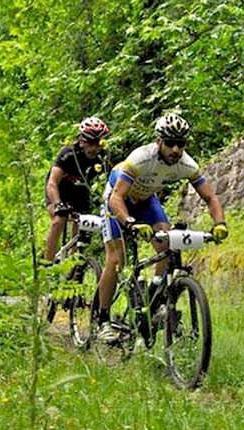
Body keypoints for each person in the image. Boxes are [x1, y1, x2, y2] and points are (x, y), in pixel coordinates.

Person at [96, 113, 228, 341]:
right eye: (170, 143)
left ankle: (154, 297)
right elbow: (116, 198)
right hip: (117, 200)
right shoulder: (140, 159)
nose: (176, 149)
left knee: (166, 241)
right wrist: (130, 223)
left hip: (146, 200)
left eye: (181, 144)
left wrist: (220, 224)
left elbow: (210, 197)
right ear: (159, 141)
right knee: (116, 260)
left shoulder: (187, 164)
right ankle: (102, 320)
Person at [43, 117, 110, 263]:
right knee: (59, 220)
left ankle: (74, 264)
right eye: (90, 143)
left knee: (83, 228)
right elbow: (52, 183)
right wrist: (57, 203)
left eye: (97, 143)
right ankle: (46, 264)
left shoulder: (102, 156)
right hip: (59, 190)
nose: (94, 148)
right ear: (81, 141)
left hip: (80, 191)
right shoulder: (68, 154)